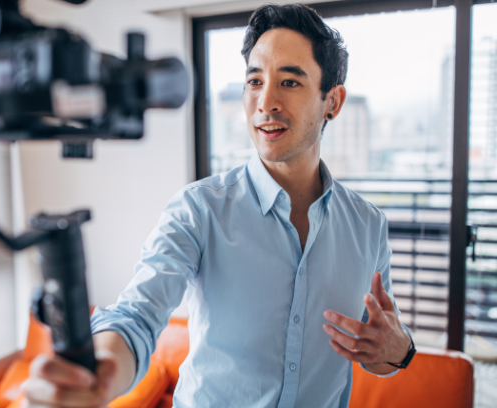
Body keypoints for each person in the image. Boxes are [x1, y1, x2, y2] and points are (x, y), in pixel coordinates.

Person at [23, 3, 413, 408]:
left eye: (290, 83)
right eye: (255, 81)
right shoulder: (198, 210)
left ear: (332, 101)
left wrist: (400, 350)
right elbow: (136, 314)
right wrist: (101, 372)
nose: (265, 102)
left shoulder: (369, 226)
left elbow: (377, 350)